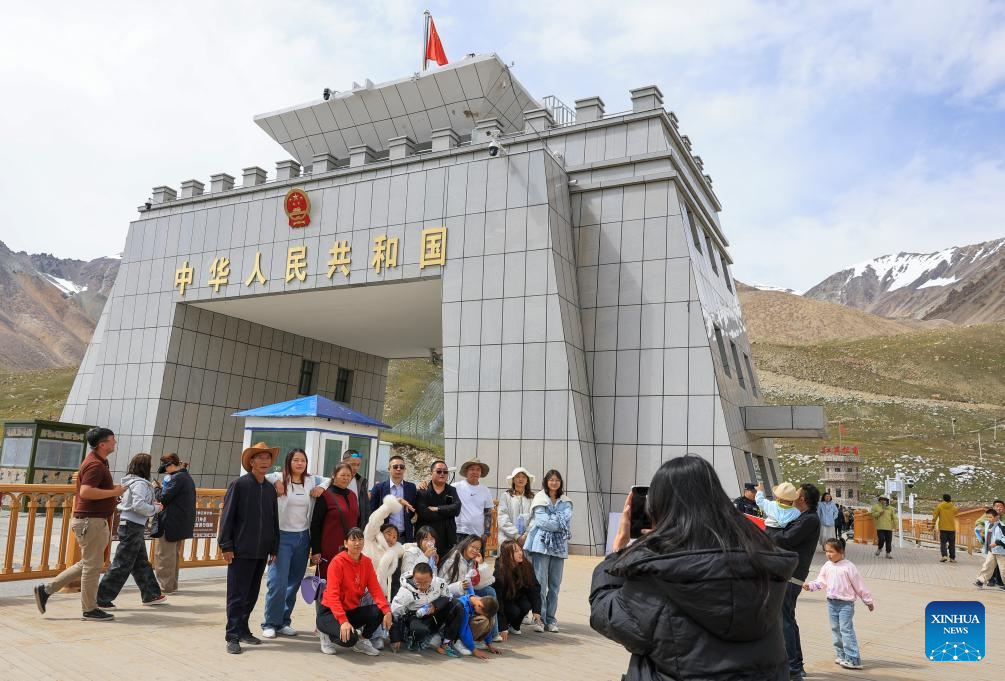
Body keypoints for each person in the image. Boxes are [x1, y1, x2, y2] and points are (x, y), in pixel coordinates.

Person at [590, 455, 798, 681]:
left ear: (658, 508)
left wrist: (618, 553)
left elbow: (607, 614)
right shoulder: (761, 564)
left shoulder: (657, 575)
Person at [34, 427, 125, 622]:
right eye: (112, 440)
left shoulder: (99, 462)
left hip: (93, 521)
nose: (115, 442)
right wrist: (114, 492)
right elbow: (86, 491)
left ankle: (46, 590)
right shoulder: (95, 465)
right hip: (90, 521)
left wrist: (112, 491)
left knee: (88, 563)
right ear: (102, 444)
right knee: (92, 567)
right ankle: (89, 609)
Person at [218, 442, 280, 654]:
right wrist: (226, 545)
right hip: (240, 549)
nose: (264, 461)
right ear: (251, 462)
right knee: (237, 594)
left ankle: (243, 629)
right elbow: (227, 517)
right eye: (260, 457)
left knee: (252, 594)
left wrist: (274, 547)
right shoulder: (239, 485)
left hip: (262, 550)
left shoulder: (270, 489)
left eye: (267, 457)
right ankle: (232, 635)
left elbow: (274, 520)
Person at [260, 448, 327, 639]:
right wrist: (277, 481)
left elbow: (330, 479)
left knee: (294, 583)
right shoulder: (280, 477)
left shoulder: (311, 480)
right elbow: (265, 476)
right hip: (282, 537)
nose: (299, 463)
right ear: (289, 462)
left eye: (303, 460)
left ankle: (284, 622)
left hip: (303, 537)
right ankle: (270, 622)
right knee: (277, 582)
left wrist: (321, 488)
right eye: (296, 460)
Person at [765, 482, 821, 681]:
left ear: (802, 499)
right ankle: (797, 664)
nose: (793, 497)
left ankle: (793, 668)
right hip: (791, 573)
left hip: (791, 575)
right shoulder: (805, 517)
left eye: (796, 494)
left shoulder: (809, 519)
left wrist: (766, 530)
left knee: (785, 620)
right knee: (788, 618)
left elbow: (785, 539)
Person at [96, 453, 167, 608]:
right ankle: (101, 597)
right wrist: (155, 508)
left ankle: (151, 595)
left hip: (130, 525)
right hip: (133, 526)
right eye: (150, 464)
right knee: (122, 563)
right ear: (145, 467)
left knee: (140, 562)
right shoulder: (140, 484)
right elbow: (138, 505)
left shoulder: (130, 481)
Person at [316, 527, 393, 656]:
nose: (357, 543)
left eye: (360, 539)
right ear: (346, 543)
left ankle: (362, 641)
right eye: (353, 540)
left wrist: (387, 610)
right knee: (350, 639)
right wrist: (343, 621)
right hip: (330, 613)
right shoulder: (337, 562)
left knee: (380, 611)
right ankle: (326, 635)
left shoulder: (366, 562)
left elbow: (375, 589)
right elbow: (333, 595)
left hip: (350, 610)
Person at [803, 538, 875, 670]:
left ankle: (853, 659)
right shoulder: (827, 566)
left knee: (846, 630)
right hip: (831, 603)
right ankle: (841, 655)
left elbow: (859, 585)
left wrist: (868, 601)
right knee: (835, 629)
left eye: (831, 551)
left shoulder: (848, 567)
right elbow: (821, 581)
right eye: (826, 551)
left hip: (846, 604)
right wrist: (811, 586)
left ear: (841, 551)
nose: (828, 554)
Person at [524, 469, 572, 633]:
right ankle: (539, 619)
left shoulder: (566, 501)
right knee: (540, 583)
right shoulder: (540, 498)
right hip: (541, 545)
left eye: (557, 480)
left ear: (561, 482)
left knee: (554, 585)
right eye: (551, 479)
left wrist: (553, 519)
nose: (554, 482)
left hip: (559, 547)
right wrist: (557, 520)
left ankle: (551, 619)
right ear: (546, 481)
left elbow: (566, 520)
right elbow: (542, 522)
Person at [389, 561, 463, 651]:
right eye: (418, 583)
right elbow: (394, 613)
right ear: (413, 577)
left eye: (426, 583)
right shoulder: (405, 591)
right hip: (414, 617)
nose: (422, 586)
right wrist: (395, 638)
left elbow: (448, 596)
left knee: (457, 605)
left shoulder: (439, 583)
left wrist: (435, 605)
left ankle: (447, 642)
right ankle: (412, 638)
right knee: (420, 630)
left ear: (432, 577)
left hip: (434, 613)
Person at [439, 535, 499, 640]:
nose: (475, 551)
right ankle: (461, 637)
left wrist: (481, 564)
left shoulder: (473, 561)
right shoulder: (453, 560)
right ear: (466, 545)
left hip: (468, 593)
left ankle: (492, 634)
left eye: (478, 549)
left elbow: (485, 582)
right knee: (472, 603)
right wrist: (459, 586)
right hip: (453, 595)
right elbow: (441, 588)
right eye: (473, 547)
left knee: (490, 591)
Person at [152, 453, 196, 594]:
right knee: (173, 556)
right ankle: (171, 586)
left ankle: (165, 587)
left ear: (171, 465)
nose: (165, 471)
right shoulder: (186, 477)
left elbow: (163, 498)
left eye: (165, 468)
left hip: (170, 522)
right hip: (179, 523)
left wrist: (156, 488)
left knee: (164, 555)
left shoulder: (177, 478)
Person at [310, 462, 359, 568]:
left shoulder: (353, 495)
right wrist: (316, 550)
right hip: (330, 548)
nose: (346, 478)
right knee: (329, 577)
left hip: (351, 548)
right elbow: (315, 525)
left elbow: (357, 520)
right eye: (343, 475)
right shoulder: (325, 495)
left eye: (348, 475)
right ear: (334, 476)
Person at [493, 539, 544, 637]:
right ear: (507, 555)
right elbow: (498, 600)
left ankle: (514, 626)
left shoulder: (526, 566)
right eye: (516, 551)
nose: (520, 553)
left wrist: (537, 610)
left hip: (518, 597)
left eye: (520, 550)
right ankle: (502, 625)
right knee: (514, 611)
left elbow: (534, 588)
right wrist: (502, 627)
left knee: (526, 605)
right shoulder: (500, 572)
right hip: (504, 601)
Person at [363, 494, 407, 599]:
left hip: (380, 593)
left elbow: (406, 547)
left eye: (395, 537)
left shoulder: (393, 550)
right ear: (381, 532)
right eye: (388, 533)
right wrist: (388, 506)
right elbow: (374, 520)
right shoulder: (370, 538)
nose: (391, 538)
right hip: (362, 588)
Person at [436, 593, 502, 659]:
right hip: (446, 628)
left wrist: (489, 644)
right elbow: (464, 629)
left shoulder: (478, 601)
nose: (480, 614)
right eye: (481, 613)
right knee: (483, 620)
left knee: (489, 619)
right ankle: (455, 642)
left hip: (461, 628)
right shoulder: (464, 606)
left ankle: (469, 642)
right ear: (480, 606)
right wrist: (474, 650)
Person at [369, 454, 418, 543]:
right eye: (395, 467)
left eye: (401, 467)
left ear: (404, 469)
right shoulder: (379, 488)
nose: (398, 469)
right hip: (383, 537)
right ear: (389, 469)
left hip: (404, 536)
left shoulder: (411, 488)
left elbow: (413, 510)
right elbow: (373, 512)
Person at [416, 460, 461, 557]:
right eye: (439, 471)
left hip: (447, 539)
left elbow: (457, 509)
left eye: (445, 471)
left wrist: (438, 509)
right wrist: (448, 513)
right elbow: (424, 514)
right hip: (427, 540)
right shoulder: (423, 491)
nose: (442, 474)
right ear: (431, 473)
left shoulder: (452, 490)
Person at [454, 458, 494, 552]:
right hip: (460, 531)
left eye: (478, 469)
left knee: (477, 559)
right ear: (466, 471)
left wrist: (486, 532)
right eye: (472, 469)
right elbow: (440, 488)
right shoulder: (456, 487)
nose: (475, 472)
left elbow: (488, 512)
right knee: (458, 558)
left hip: (478, 534)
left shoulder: (485, 490)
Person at [497, 467, 535, 547]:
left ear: (527, 480)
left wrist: (526, 535)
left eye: (523, 477)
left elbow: (534, 518)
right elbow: (502, 517)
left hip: (527, 539)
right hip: (508, 539)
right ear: (513, 480)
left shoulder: (532, 498)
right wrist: (516, 536)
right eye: (517, 476)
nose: (521, 479)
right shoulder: (505, 496)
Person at [974, 507, 1005, 591]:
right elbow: (988, 536)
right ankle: (980, 581)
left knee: (1003, 569)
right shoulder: (987, 524)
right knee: (987, 565)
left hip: (1001, 552)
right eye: (987, 517)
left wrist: (997, 543)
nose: (988, 519)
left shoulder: (1002, 526)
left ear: (996, 517)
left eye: (990, 517)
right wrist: (981, 539)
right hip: (992, 550)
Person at [342, 450, 371, 527]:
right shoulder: (334, 480)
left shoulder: (361, 481)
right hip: (339, 522)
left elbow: (366, 508)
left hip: (356, 524)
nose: (356, 468)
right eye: (352, 464)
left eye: (358, 465)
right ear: (343, 463)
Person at [932, 493, 958, 563]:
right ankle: (952, 558)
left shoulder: (940, 506)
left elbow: (935, 516)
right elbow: (956, 512)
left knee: (943, 543)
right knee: (952, 544)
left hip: (943, 528)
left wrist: (932, 525)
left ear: (943, 499)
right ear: (950, 499)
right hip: (952, 528)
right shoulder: (953, 507)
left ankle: (944, 556)